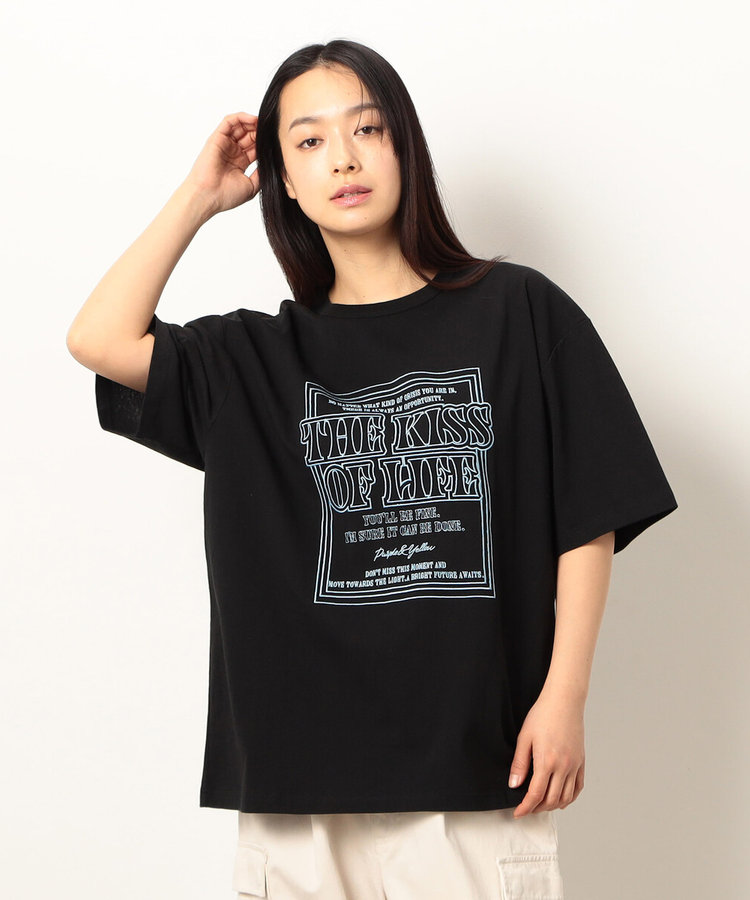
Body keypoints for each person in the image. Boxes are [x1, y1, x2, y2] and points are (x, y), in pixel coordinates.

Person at [67, 38, 678, 900]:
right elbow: (98, 338)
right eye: (309, 141)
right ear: (282, 177)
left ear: (405, 146)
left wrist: (564, 697)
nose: (343, 159)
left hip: (476, 773)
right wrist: (200, 197)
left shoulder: (518, 311)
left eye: (367, 128)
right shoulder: (252, 359)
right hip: (297, 787)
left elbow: (589, 511)